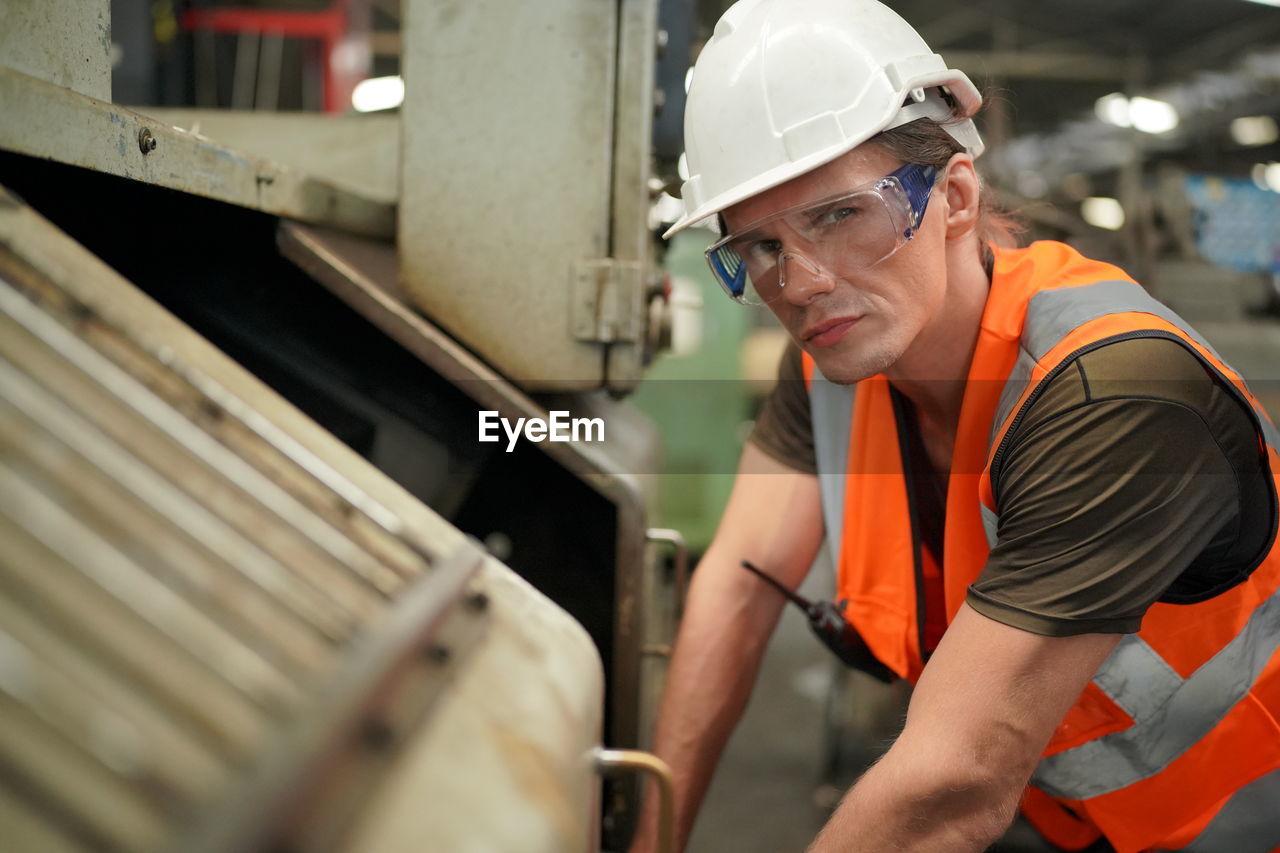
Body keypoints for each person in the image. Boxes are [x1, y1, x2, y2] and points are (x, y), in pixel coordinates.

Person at [629, 1, 1280, 851]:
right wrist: (651, 836)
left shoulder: (1116, 398)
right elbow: (738, 590)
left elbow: (953, 782)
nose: (801, 282)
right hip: (1072, 824)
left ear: (957, 198)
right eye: (758, 245)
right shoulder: (837, 370)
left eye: (839, 214)